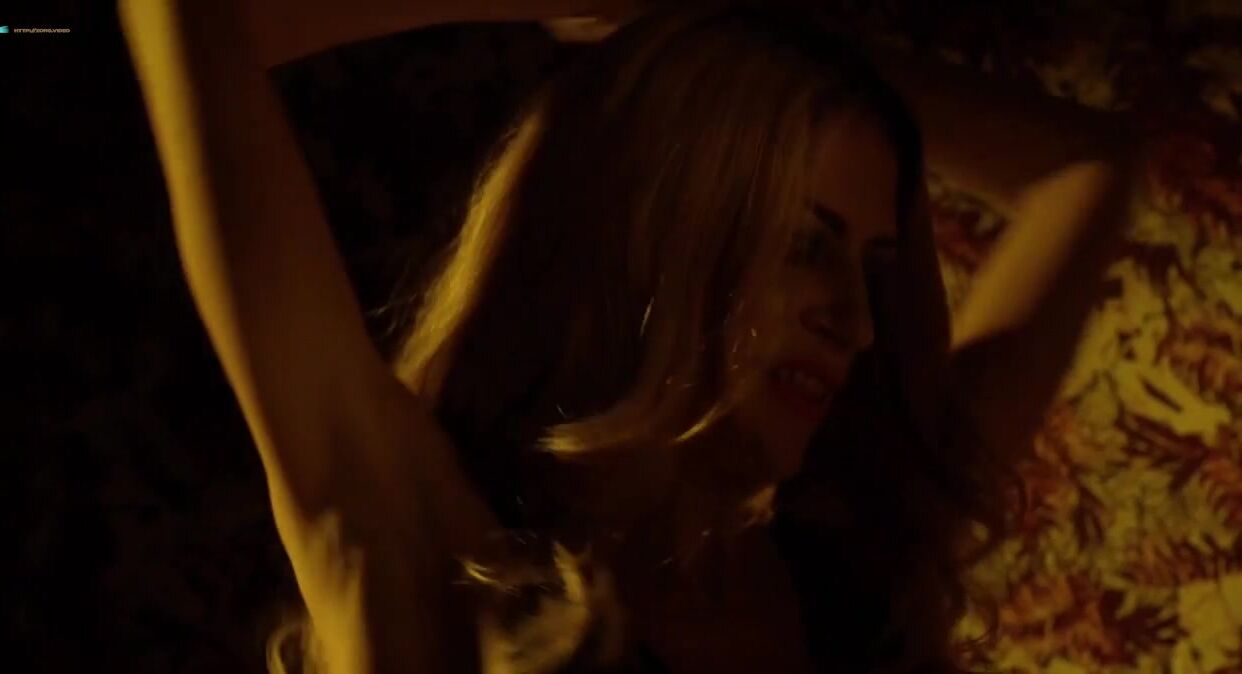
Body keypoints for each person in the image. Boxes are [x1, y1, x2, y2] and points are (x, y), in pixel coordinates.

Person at [119, 0, 1140, 672]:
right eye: (804, 243)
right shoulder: (431, 542)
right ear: (655, 238)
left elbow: (1085, 170)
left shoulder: (858, 576)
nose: (856, 319)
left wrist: (702, 27)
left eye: (869, 263)